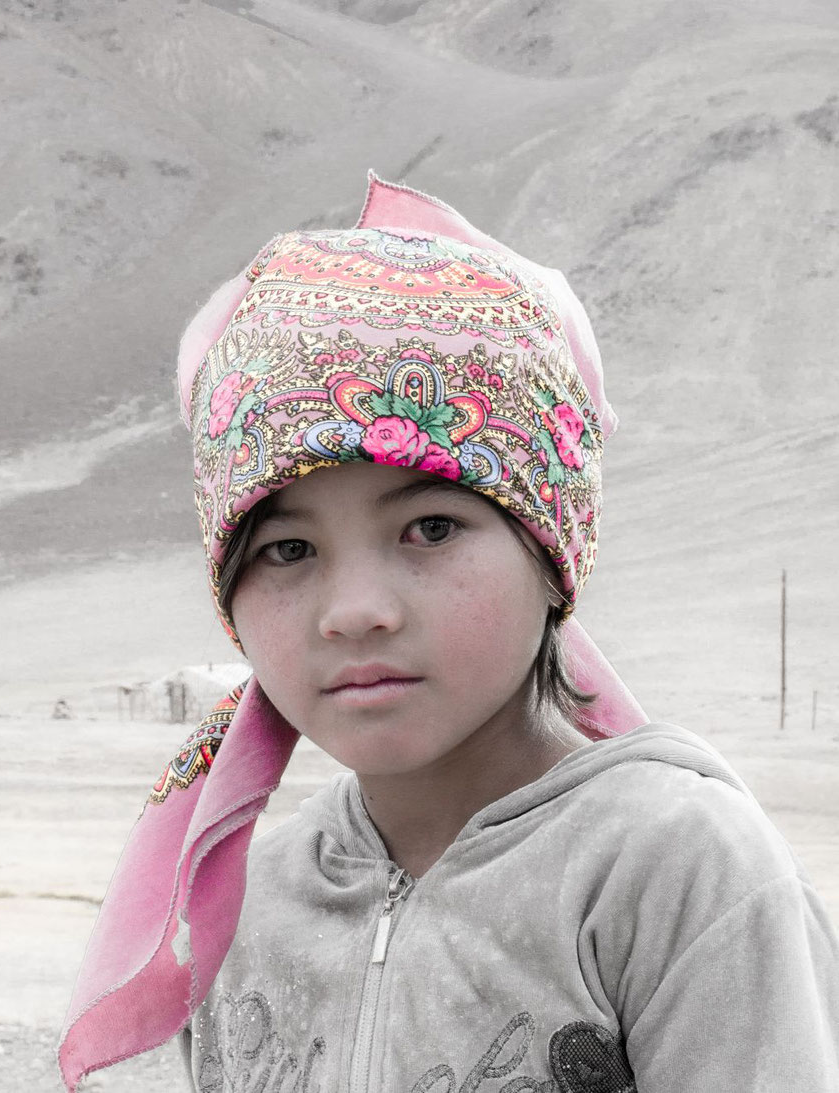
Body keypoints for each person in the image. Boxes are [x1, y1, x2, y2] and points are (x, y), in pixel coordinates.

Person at [58, 173, 839, 1092]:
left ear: (552, 551)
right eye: (289, 548)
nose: (355, 609)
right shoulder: (254, 906)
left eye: (429, 528)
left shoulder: (672, 866)